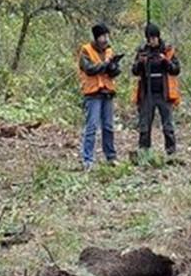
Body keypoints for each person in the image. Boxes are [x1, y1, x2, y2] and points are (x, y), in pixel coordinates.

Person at [77, 23, 122, 169]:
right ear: (96, 37)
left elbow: (114, 73)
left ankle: (111, 157)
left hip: (107, 92)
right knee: (92, 127)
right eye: (103, 36)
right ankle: (87, 160)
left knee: (108, 126)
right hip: (93, 93)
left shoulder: (109, 51)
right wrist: (105, 64)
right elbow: (89, 69)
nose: (105, 39)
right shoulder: (85, 51)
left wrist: (113, 66)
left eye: (106, 36)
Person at [132, 22, 181, 155]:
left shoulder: (167, 51)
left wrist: (165, 61)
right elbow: (135, 71)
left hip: (164, 94)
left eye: (154, 38)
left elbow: (176, 70)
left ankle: (171, 152)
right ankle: (144, 153)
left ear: (158, 37)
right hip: (147, 94)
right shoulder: (142, 52)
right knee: (145, 125)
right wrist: (140, 63)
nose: (152, 41)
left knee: (168, 125)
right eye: (149, 38)